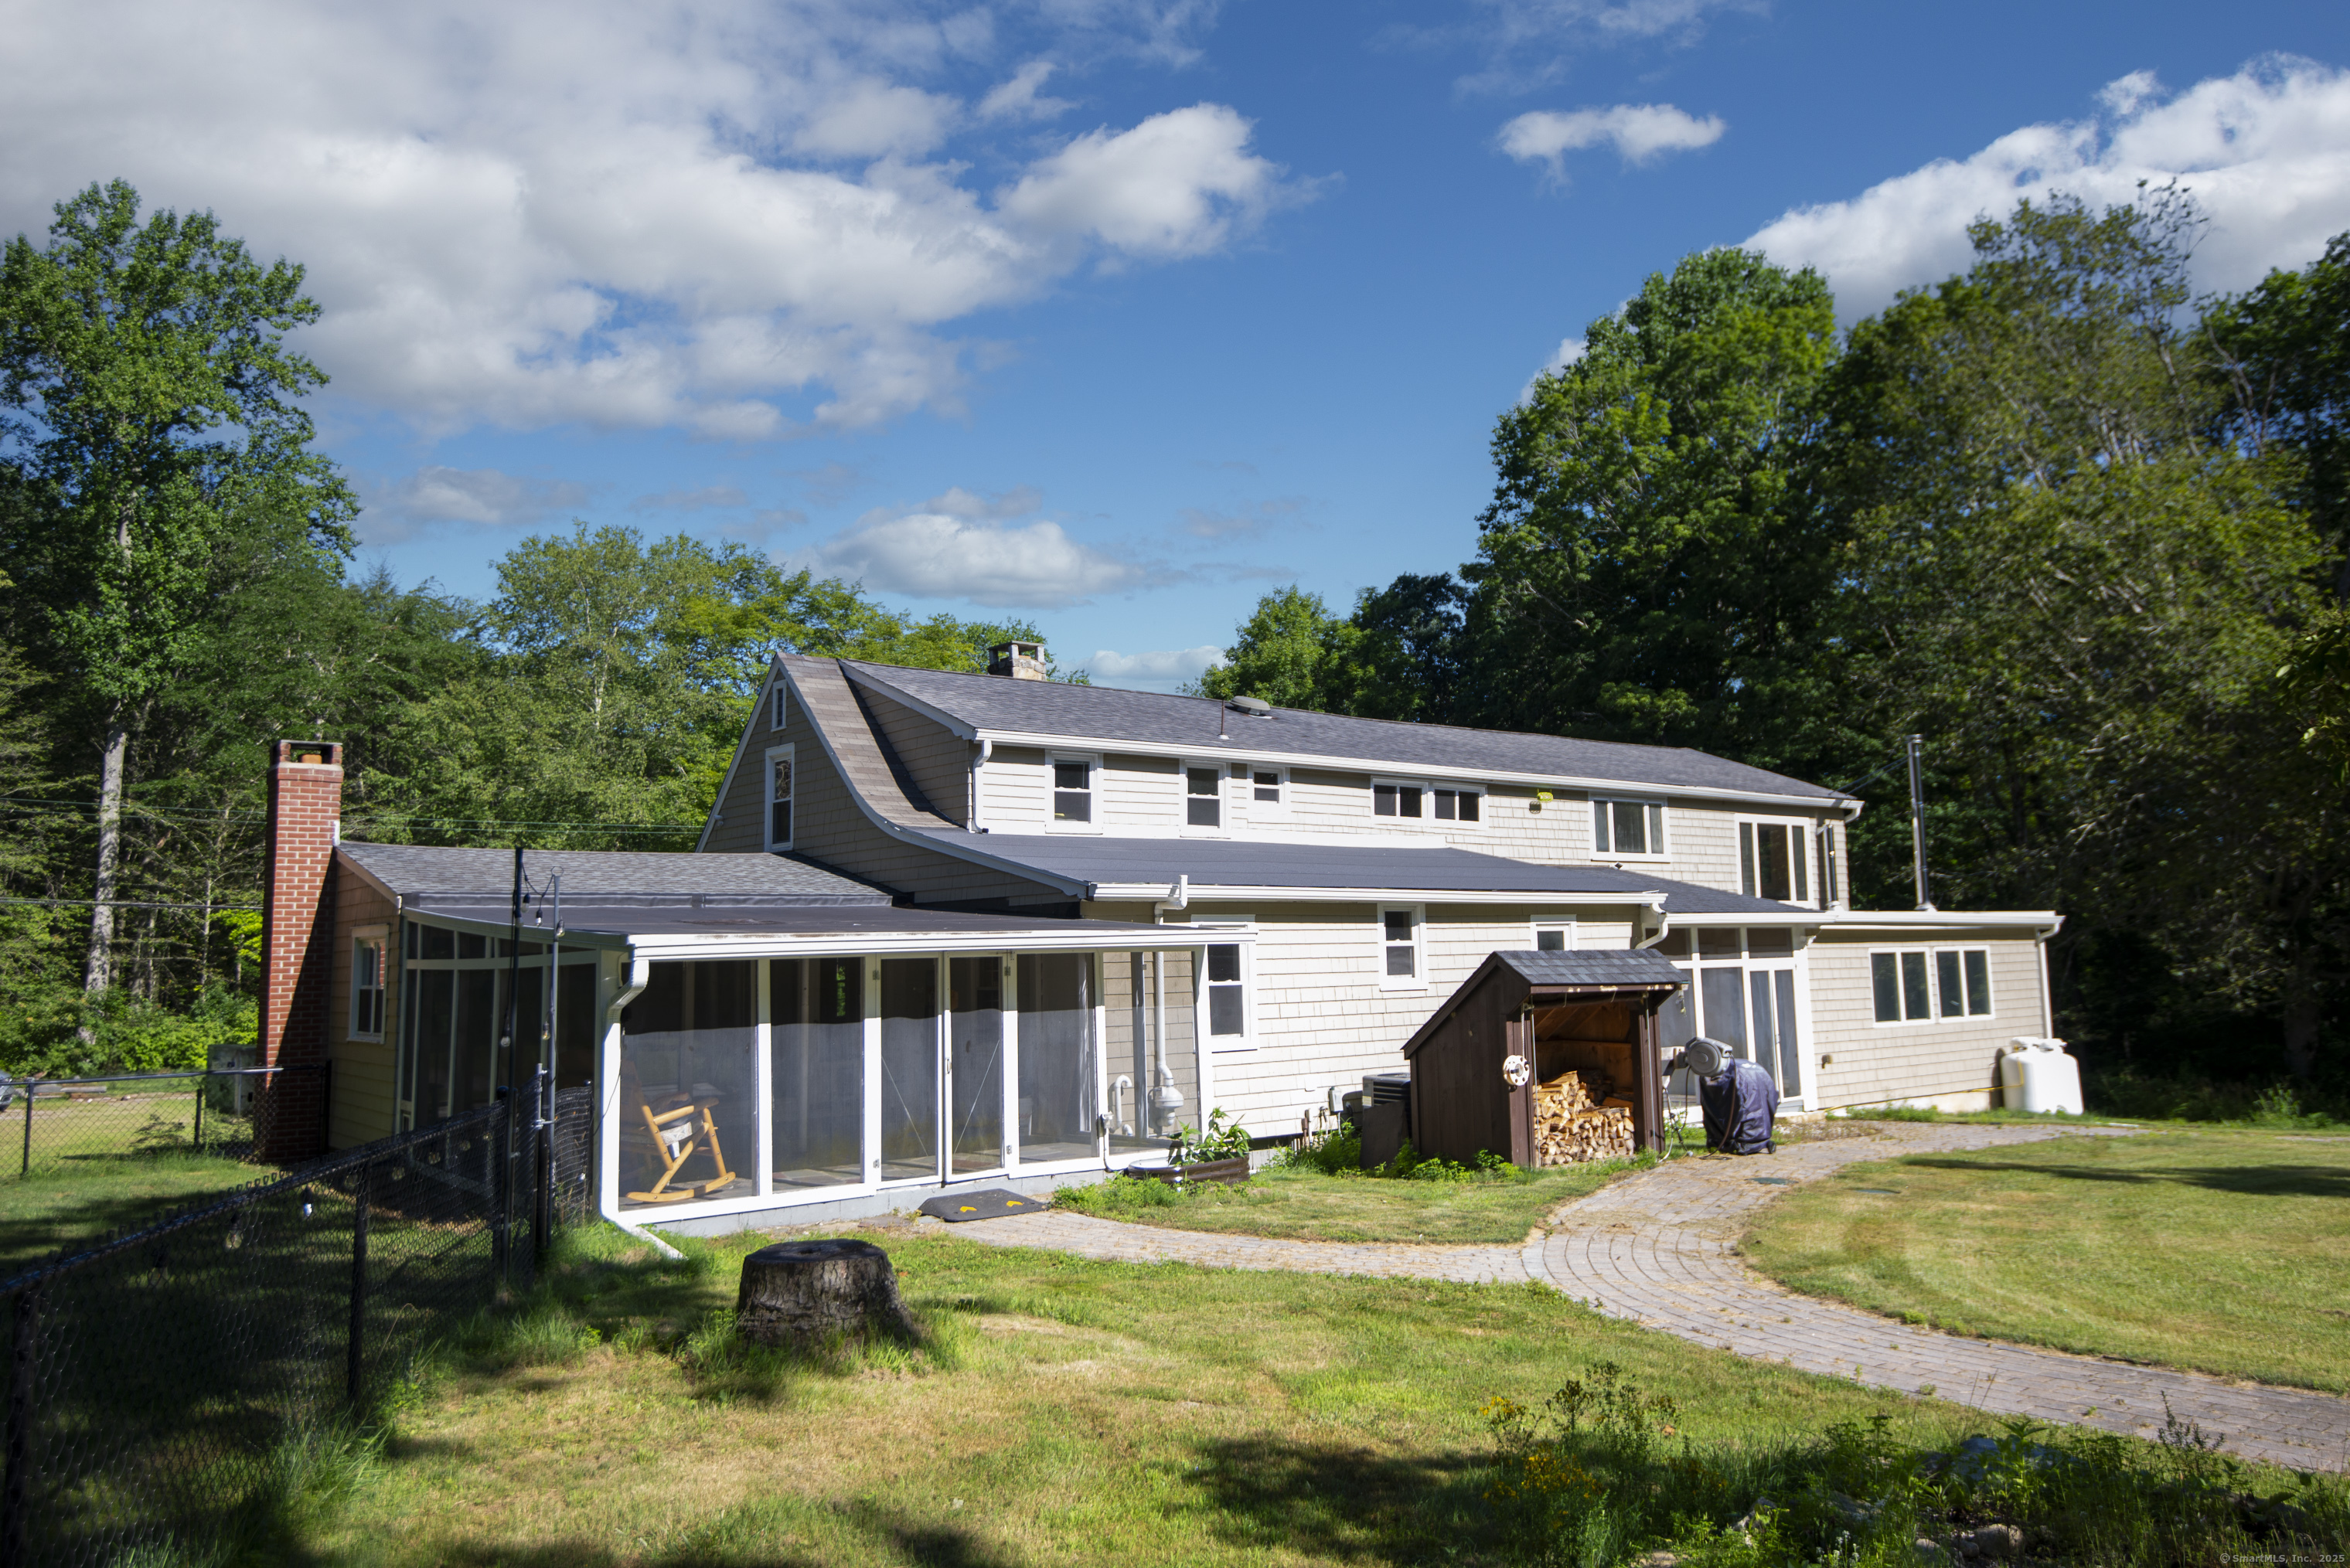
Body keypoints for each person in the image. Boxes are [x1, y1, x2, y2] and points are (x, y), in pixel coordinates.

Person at [1671, 1037, 1778, 1155]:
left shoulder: (1734, 1073)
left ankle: (1737, 1139)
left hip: (1741, 1076)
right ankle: (1755, 1139)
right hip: (1750, 1074)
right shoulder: (1744, 1070)